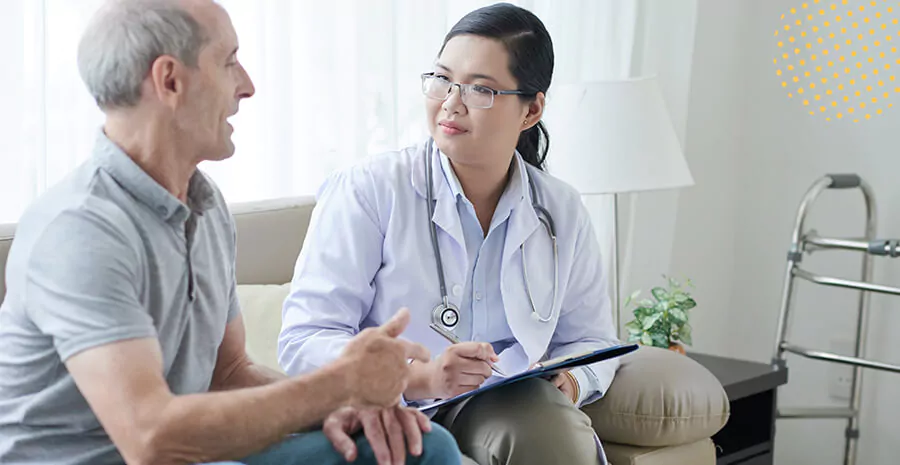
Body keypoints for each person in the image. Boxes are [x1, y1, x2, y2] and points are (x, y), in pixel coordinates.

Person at [0, 1, 462, 464]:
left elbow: (229, 371)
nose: (248, 86)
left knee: (418, 448)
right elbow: (150, 438)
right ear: (170, 81)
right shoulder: (80, 230)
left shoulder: (204, 206)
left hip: (190, 454)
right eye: (229, 62)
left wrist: (340, 409)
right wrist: (339, 384)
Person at [278, 3, 620, 464]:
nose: (451, 103)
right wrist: (418, 374)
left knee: (543, 421)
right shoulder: (370, 190)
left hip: (505, 403)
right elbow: (304, 341)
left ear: (531, 109)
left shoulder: (559, 210)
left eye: (481, 89)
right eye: (442, 80)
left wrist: (573, 381)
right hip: (387, 407)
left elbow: (592, 339)